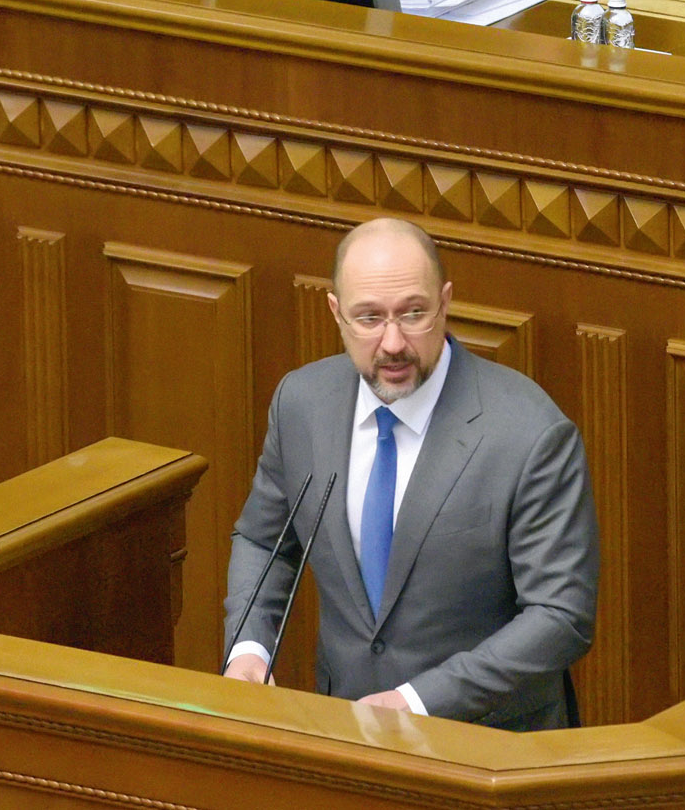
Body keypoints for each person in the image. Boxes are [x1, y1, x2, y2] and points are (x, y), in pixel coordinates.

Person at [222, 217, 597, 730]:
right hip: (344, 732)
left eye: (413, 314)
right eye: (369, 318)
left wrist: (417, 701)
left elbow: (560, 615)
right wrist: (249, 649)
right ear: (336, 313)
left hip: (487, 744)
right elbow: (264, 540)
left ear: (445, 303)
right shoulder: (302, 403)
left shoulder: (529, 435)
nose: (393, 342)